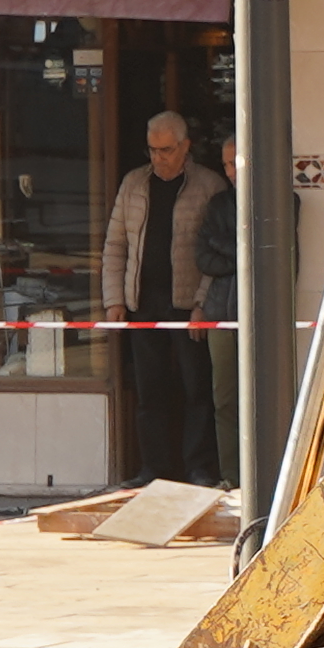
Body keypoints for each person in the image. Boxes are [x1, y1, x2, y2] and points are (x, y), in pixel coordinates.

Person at [99, 110, 227, 489]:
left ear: (185, 146)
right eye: (153, 150)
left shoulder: (209, 185)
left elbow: (214, 254)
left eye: (167, 150)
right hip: (143, 302)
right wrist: (115, 298)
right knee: (149, 389)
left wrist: (203, 303)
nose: (159, 158)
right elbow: (115, 244)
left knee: (196, 389)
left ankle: (199, 469)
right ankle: (152, 469)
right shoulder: (134, 184)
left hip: (188, 305)